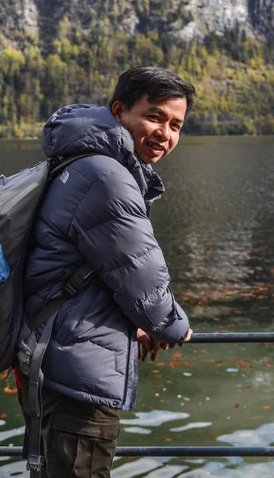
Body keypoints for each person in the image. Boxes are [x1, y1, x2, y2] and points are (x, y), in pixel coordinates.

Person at [18, 66, 195, 477]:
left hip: (53, 359)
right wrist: (173, 326)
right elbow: (139, 275)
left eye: (175, 125)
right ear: (119, 111)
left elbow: (87, 271)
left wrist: (130, 327)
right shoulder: (107, 176)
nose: (164, 134)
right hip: (76, 377)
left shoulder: (82, 161)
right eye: (153, 116)